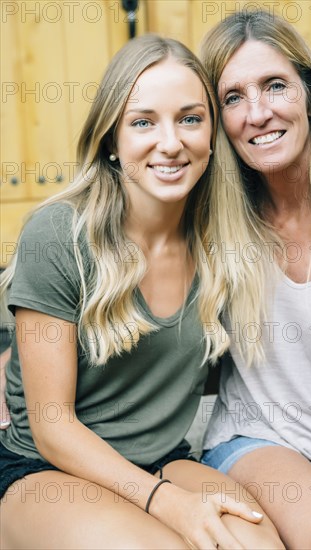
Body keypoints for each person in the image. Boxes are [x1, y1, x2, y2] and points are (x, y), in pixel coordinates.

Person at [0, 34, 285, 550]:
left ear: (213, 135)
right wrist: (165, 503)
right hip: (44, 468)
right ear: (112, 138)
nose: (171, 142)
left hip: (163, 459)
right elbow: (51, 426)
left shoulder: (220, 242)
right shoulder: (58, 235)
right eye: (144, 121)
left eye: (191, 118)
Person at [199, 9, 311, 549]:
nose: (258, 112)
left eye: (275, 85)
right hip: (261, 439)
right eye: (233, 97)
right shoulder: (207, 218)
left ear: (310, 92)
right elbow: (107, 294)